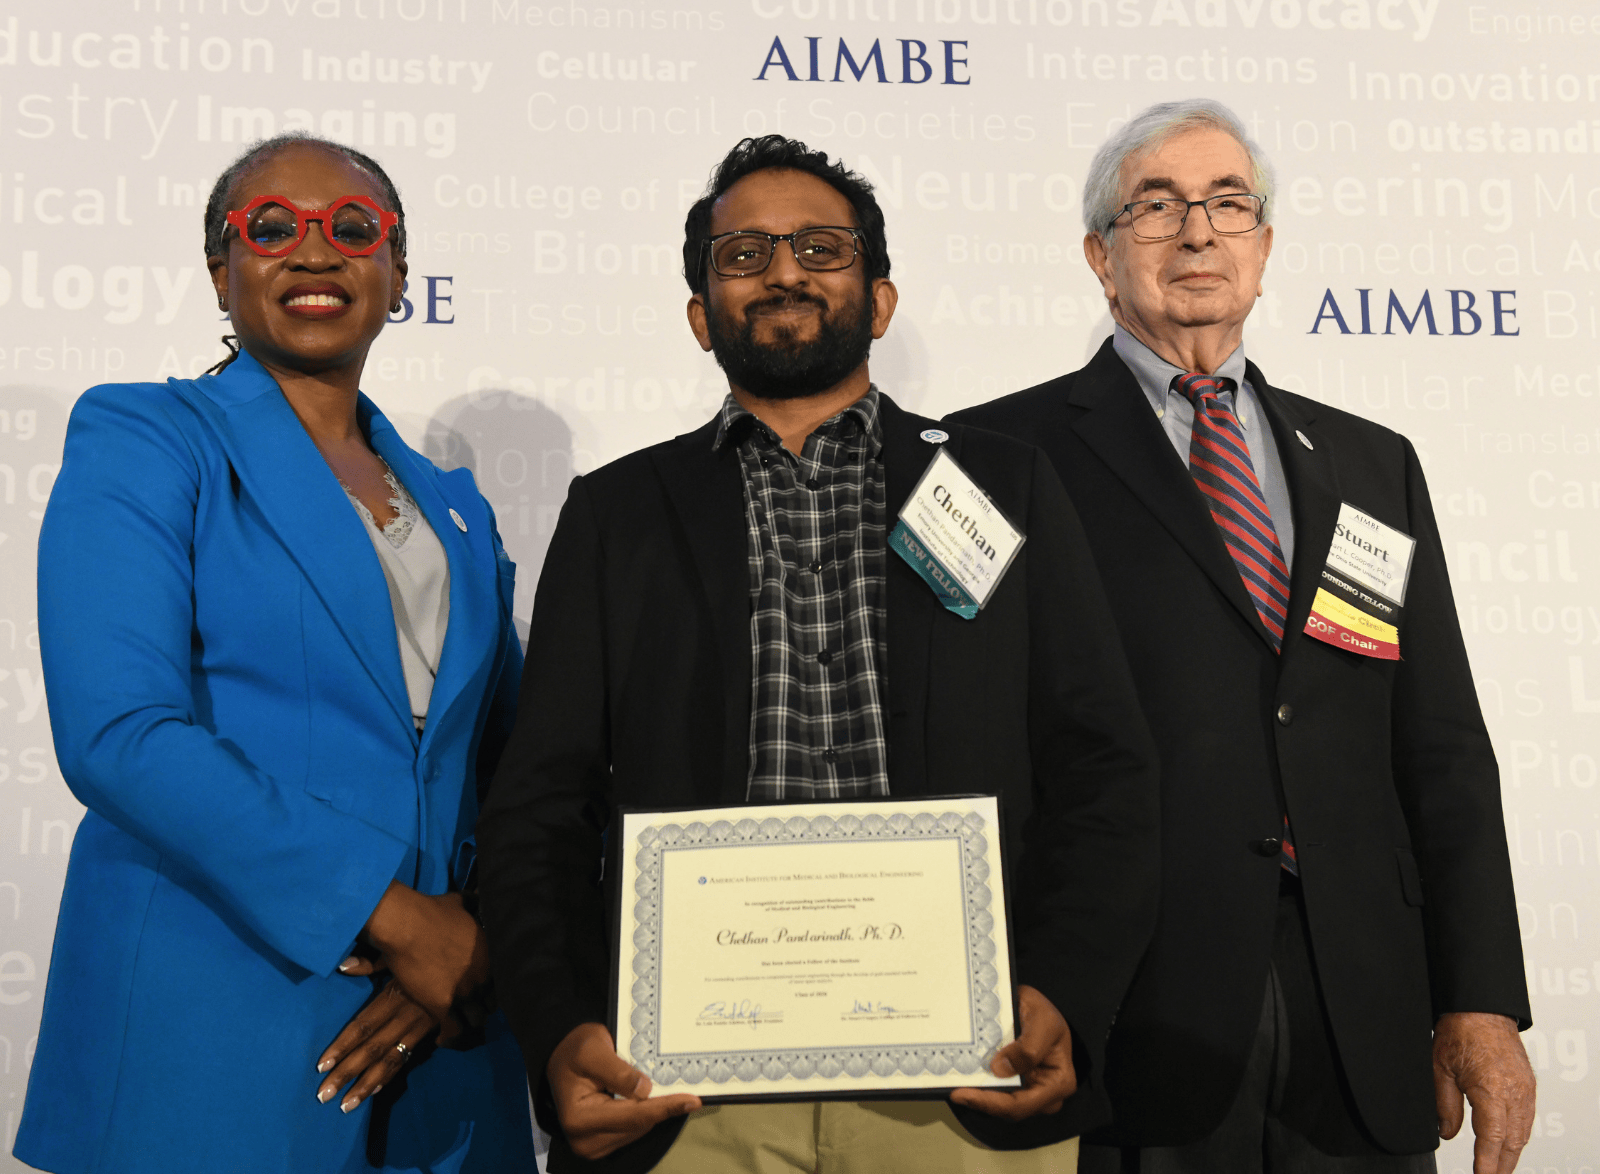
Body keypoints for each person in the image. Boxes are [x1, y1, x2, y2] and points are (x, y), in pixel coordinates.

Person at [477, 134, 1161, 1174]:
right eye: (742, 254)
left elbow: (1102, 767)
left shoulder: (1001, 485)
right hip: (685, 1103)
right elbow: (540, 808)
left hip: (966, 1087)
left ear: (879, 300)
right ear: (701, 314)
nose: (784, 269)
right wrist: (564, 1031)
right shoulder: (616, 513)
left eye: (819, 247)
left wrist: (1062, 992)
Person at [949, 99, 1535, 1174]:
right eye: (1156, 205)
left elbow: (1439, 746)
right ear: (1099, 251)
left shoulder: (1370, 464)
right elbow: (949, 729)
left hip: (1359, 1005)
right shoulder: (989, 455)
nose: (1197, 231)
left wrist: (1481, 1000)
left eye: (1228, 203)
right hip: (1124, 1006)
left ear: (1264, 246)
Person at [17, 133, 536, 1174]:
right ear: (222, 270)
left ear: (396, 272)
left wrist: (467, 937)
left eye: (353, 230)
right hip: (217, 1017)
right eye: (271, 229)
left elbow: (512, 766)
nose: (314, 251)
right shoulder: (149, 437)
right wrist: (391, 917)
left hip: (444, 1034)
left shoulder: (457, 506)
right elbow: (121, 733)